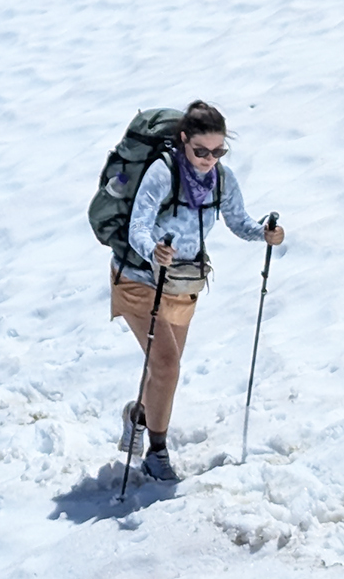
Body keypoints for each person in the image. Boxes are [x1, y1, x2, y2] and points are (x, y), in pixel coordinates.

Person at [114, 99, 285, 482]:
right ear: (183, 140)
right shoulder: (162, 173)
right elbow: (137, 227)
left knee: (162, 369)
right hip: (141, 280)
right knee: (167, 365)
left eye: (218, 150)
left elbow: (239, 222)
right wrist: (154, 250)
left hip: (183, 285)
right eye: (201, 150)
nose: (209, 158)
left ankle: (137, 417)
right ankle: (156, 453)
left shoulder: (221, 179)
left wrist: (265, 233)